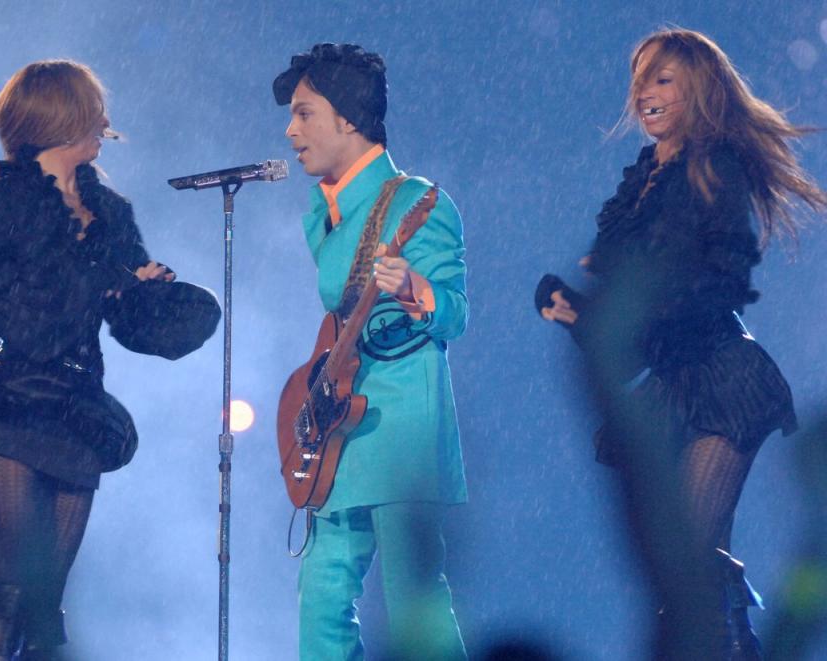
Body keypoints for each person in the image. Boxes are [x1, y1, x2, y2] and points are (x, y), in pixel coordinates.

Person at [0, 60, 220, 660]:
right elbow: (27, 321)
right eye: (92, 109)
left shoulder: (110, 210)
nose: (106, 122)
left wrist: (155, 296)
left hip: (78, 407)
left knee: (45, 602)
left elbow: (130, 325)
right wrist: (103, 275)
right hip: (8, 402)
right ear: (59, 117)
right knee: (10, 585)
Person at [538, 28, 826, 658]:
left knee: (691, 568)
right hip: (671, 384)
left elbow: (717, 278)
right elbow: (634, 313)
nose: (644, 92)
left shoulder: (711, 167)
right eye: (640, 79)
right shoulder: (644, 180)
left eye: (662, 78)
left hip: (722, 378)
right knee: (682, 575)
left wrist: (649, 304)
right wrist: (579, 313)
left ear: (697, 90)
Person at [273, 43, 469, 660]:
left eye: (305, 113)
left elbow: (456, 315)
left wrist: (417, 289)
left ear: (348, 118)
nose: (291, 129)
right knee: (322, 597)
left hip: (402, 423)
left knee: (415, 605)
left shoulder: (413, 201)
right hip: (340, 426)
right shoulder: (326, 209)